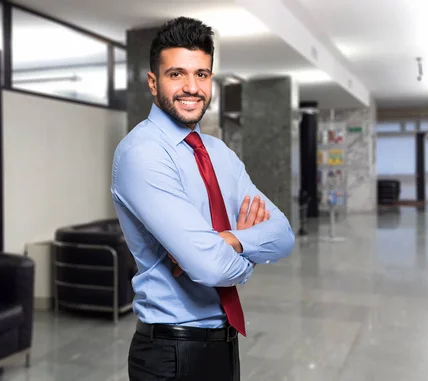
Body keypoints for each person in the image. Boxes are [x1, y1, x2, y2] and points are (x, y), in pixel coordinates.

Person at [110, 16, 295, 381]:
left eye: (202, 74)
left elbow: (284, 235)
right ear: (153, 82)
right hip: (172, 354)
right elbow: (211, 268)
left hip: (224, 345)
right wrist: (247, 257)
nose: (191, 87)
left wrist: (231, 241)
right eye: (176, 74)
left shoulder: (220, 153)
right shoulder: (142, 153)